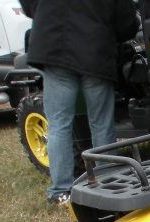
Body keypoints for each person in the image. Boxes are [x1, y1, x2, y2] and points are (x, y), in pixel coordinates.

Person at [19, 0, 139, 205]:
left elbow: (28, 5)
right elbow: (126, 21)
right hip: (95, 49)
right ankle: (108, 181)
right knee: (101, 123)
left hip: (54, 48)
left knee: (58, 124)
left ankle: (61, 191)